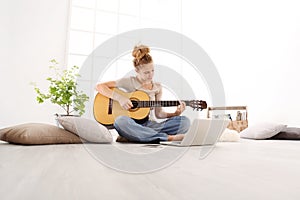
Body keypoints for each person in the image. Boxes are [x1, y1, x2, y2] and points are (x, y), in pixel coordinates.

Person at [95, 44, 190, 143]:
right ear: (137, 70)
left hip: (150, 125)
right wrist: (120, 98)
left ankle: (139, 136)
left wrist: (175, 113)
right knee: (120, 122)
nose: (151, 75)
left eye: (152, 71)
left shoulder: (157, 87)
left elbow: (159, 114)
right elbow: (99, 87)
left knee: (185, 122)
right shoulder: (129, 81)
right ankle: (167, 138)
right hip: (130, 123)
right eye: (146, 72)